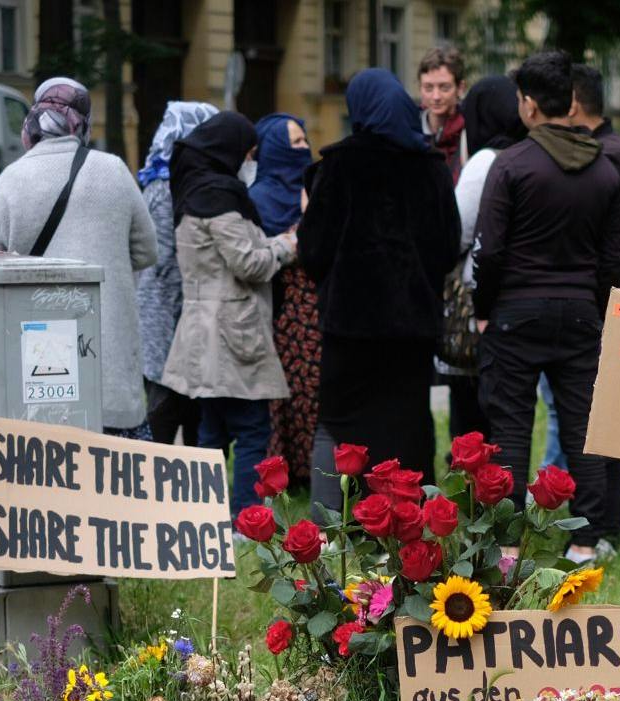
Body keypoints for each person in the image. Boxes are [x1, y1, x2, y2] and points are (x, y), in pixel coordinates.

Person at [472, 50, 620, 564]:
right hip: (582, 312)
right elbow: (613, 259)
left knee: (512, 429)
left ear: (530, 105)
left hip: (515, 313)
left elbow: (489, 250)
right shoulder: (606, 170)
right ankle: (585, 543)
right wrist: (601, 308)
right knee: (584, 430)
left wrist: (483, 306)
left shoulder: (511, 165)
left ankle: (510, 548)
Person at [298, 68, 460, 508]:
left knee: (338, 424)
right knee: (407, 423)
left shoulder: (337, 167)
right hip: (412, 329)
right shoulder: (432, 170)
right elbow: (448, 248)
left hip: (349, 328)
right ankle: (409, 524)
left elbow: (312, 253)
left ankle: (331, 528)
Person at [0, 77, 156, 438]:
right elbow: (147, 250)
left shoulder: (9, 181)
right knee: (115, 483)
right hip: (108, 368)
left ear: (33, 119)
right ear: (83, 122)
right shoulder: (114, 171)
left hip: (35, 364)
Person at [159, 111, 297, 518]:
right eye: (248, 152)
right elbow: (249, 263)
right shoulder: (220, 199)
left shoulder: (193, 191)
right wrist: (289, 245)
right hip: (233, 333)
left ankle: (204, 517)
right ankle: (244, 518)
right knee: (252, 428)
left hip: (203, 330)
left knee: (211, 429)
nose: (249, 160)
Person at [564, 61, 620, 549]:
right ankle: (601, 523)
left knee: (602, 423)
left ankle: (606, 527)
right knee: (597, 418)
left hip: (600, 304)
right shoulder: (611, 151)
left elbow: (609, 249)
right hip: (600, 300)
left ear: (571, 103)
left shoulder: (606, 156)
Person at [446, 74, 527, 445]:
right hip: (521, 297)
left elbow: (456, 230)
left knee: (472, 413)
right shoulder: (529, 155)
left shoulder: (485, 162)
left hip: (480, 299)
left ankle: (476, 497)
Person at [135, 100, 217, 447]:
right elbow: (167, 260)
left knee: (171, 403)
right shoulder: (171, 186)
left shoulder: (156, 178)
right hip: (168, 310)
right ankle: (160, 487)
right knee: (167, 405)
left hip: (157, 306)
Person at [250, 112, 320, 494]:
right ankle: (284, 474)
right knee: (283, 399)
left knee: (310, 392)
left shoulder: (313, 188)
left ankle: (313, 472)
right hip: (275, 313)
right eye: (294, 142)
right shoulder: (258, 199)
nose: (304, 148)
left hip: (309, 315)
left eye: (304, 139)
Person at [419, 45, 468, 183]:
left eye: (444, 87)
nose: (436, 96)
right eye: (428, 88)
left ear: (460, 88)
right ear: (420, 88)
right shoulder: (409, 130)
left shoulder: (470, 133)